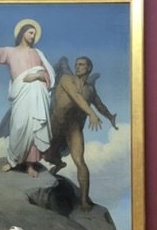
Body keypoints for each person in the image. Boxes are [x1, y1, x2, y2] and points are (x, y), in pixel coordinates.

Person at [41, 55, 118, 211]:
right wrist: (91, 113)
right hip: (55, 123)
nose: (77, 66)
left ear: (89, 68)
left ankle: (84, 200)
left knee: (80, 161)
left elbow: (99, 105)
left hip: (73, 127)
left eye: (81, 64)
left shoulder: (90, 90)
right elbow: (76, 96)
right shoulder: (66, 79)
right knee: (47, 155)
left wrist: (110, 117)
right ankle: (59, 163)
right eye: (76, 64)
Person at [0, 15, 55, 178]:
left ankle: (30, 165)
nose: (33, 36)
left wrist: (36, 76)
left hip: (37, 96)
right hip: (21, 94)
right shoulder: (10, 52)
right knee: (19, 126)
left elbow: (48, 75)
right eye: (30, 32)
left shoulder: (38, 53)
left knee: (33, 129)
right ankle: (12, 160)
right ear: (22, 33)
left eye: (34, 34)